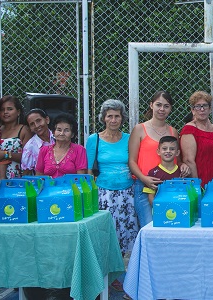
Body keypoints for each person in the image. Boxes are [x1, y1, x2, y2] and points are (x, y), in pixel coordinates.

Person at [86, 99, 138, 293]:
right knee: (107, 234)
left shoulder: (128, 138)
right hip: (104, 193)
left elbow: (133, 161)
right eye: (110, 116)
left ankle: (117, 273)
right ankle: (105, 274)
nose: (114, 119)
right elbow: (89, 169)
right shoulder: (94, 139)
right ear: (103, 118)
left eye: (117, 116)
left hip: (126, 192)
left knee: (124, 234)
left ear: (122, 118)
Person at [129, 91, 188, 228]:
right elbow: (132, 161)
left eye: (166, 106)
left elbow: (176, 159)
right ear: (151, 105)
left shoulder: (173, 131)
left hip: (169, 187)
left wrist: (183, 165)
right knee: (150, 227)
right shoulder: (139, 129)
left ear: (170, 108)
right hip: (145, 186)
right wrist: (144, 179)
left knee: (171, 226)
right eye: (158, 105)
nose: (162, 109)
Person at [0, 95, 32, 199]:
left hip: (13, 181)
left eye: (10, 109)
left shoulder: (24, 130)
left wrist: (5, 154)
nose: (5, 112)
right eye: (2, 109)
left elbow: (29, 159)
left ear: (18, 112)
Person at [180, 91, 213, 186]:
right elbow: (189, 160)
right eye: (198, 106)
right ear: (192, 110)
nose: (202, 109)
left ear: (210, 109)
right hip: (200, 182)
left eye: (205, 105)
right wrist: (198, 186)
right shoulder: (189, 129)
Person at [35, 114, 87, 178]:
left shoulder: (79, 150)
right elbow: (38, 177)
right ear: (53, 132)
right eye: (59, 130)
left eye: (66, 130)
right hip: (48, 187)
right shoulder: (44, 150)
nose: (62, 133)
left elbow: (81, 178)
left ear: (72, 134)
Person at [142, 136, 182, 204]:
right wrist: (158, 209)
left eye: (172, 149)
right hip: (160, 210)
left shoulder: (181, 172)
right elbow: (151, 196)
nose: (168, 151)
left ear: (177, 152)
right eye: (164, 149)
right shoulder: (153, 173)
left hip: (178, 208)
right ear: (158, 151)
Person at [21, 108, 53, 175]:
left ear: (47, 120)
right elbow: (27, 174)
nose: (36, 125)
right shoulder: (29, 147)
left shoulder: (59, 137)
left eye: (38, 121)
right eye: (32, 124)